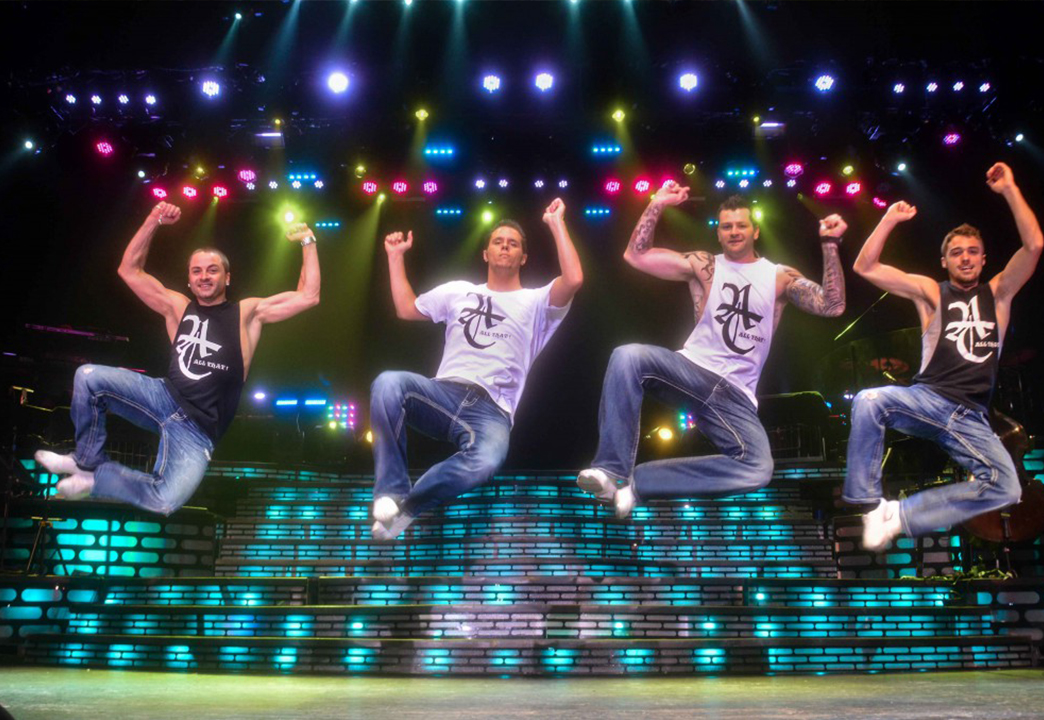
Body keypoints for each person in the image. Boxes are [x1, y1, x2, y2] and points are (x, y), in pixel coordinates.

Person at [577, 185, 847, 517]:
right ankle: (610, 471)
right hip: (692, 371)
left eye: (741, 225)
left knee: (758, 468)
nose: (734, 232)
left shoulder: (778, 277)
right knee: (627, 355)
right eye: (726, 226)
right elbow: (636, 255)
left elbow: (831, 306)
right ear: (718, 233)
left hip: (735, 395)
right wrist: (657, 203)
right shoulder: (704, 265)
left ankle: (638, 483)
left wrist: (830, 244)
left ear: (755, 230)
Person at [34, 201, 320, 514]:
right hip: (162, 397)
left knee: (165, 501)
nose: (204, 276)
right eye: (197, 271)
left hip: (198, 431)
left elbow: (308, 296)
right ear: (189, 279)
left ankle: (96, 480)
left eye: (213, 270)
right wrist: (152, 219)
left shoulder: (247, 313)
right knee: (88, 377)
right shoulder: (177, 306)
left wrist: (308, 241)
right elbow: (128, 270)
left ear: (227, 277)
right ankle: (85, 461)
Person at [843, 162, 1043, 550]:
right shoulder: (931, 293)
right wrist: (887, 219)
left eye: (972, 252)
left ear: (984, 259)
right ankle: (869, 505)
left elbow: (1033, 246)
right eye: (956, 253)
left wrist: (1010, 189)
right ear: (944, 261)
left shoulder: (998, 294)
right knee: (869, 401)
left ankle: (899, 517)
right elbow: (864, 266)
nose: (965, 258)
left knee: (1006, 486)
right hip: (928, 400)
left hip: (971, 416)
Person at [369, 198, 583, 540]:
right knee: (388, 383)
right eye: (498, 241)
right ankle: (390, 490)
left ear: (522, 258)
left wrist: (556, 222)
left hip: (492, 411)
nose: (504, 247)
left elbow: (573, 279)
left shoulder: (536, 302)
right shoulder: (458, 291)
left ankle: (407, 509)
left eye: (512, 244)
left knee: (486, 461)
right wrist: (395, 258)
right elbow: (406, 309)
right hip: (444, 393)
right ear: (485, 253)